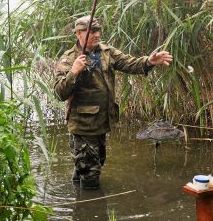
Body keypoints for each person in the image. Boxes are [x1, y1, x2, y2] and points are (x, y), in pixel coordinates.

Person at [54, 15, 173, 189]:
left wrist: (149, 61)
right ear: (78, 34)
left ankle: (78, 193)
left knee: (92, 163)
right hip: (83, 126)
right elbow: (59, 93)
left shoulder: (106, 51)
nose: (96, 34)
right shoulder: (69, 58)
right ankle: (89, 208)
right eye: (91, 31)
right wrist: (74, 72)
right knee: (91, 175)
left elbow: (129, 63)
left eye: (98, 30)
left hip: (102, 122)